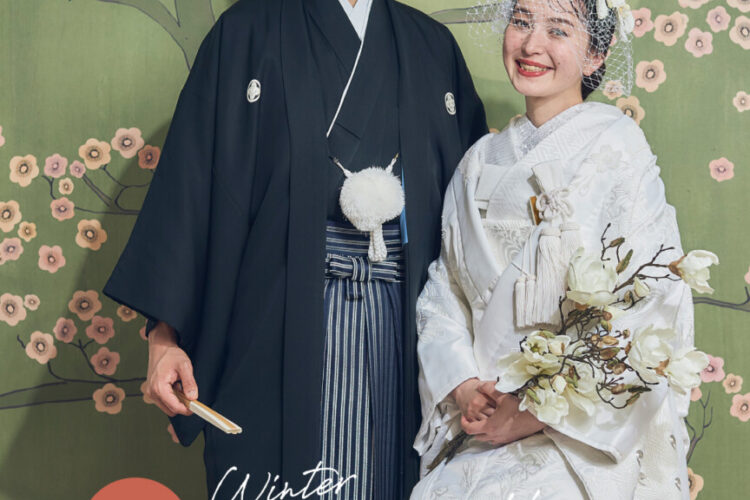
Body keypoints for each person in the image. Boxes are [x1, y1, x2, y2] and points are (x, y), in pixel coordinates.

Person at [103, 0, 487, 497]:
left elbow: (470, 224)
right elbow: (190, 188)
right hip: (272, 326)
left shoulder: (431, 47)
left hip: (405, 326)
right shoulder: (245, 33)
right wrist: (163, 339)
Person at [411, 0, 695, 498]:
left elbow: (652, 296)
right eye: (521, 22)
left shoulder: (618, 147)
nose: (531, 44)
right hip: (484, 412)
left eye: (558, 30)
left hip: (575, 426)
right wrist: (463, 385)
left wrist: (533, 410)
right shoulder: (478, 160)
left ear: (595, 55)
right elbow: (445, 290)